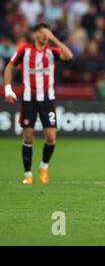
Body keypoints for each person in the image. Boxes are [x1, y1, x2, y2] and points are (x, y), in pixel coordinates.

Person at [3, 23, 73, 184]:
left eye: (47, 33)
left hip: (47, 100)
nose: (44, 35)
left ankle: (43, 166)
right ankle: (27, 174)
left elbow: (69, 56)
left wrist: (54, 38)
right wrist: (8, 89)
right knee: (28, 137)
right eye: (41, 32)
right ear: (34, 35)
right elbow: (9, 68)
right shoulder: (25, 51)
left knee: (50, 137)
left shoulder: (52, 52)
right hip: (29, 100)